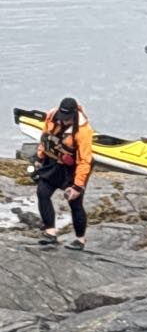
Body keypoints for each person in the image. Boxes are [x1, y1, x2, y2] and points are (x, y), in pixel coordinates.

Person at [33, 96, 94, 250]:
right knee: (42, 192)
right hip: (54, 162)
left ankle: (80, 240)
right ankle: (50, 233)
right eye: (62, 117)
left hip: (73, 167)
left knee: (75, 202)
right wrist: (39, 158)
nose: (64, 121)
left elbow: (84, 161)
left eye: (67, 119)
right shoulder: (52, 116)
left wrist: (77, 186)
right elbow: (45, 138)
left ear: (74, 115)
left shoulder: (83, 131)